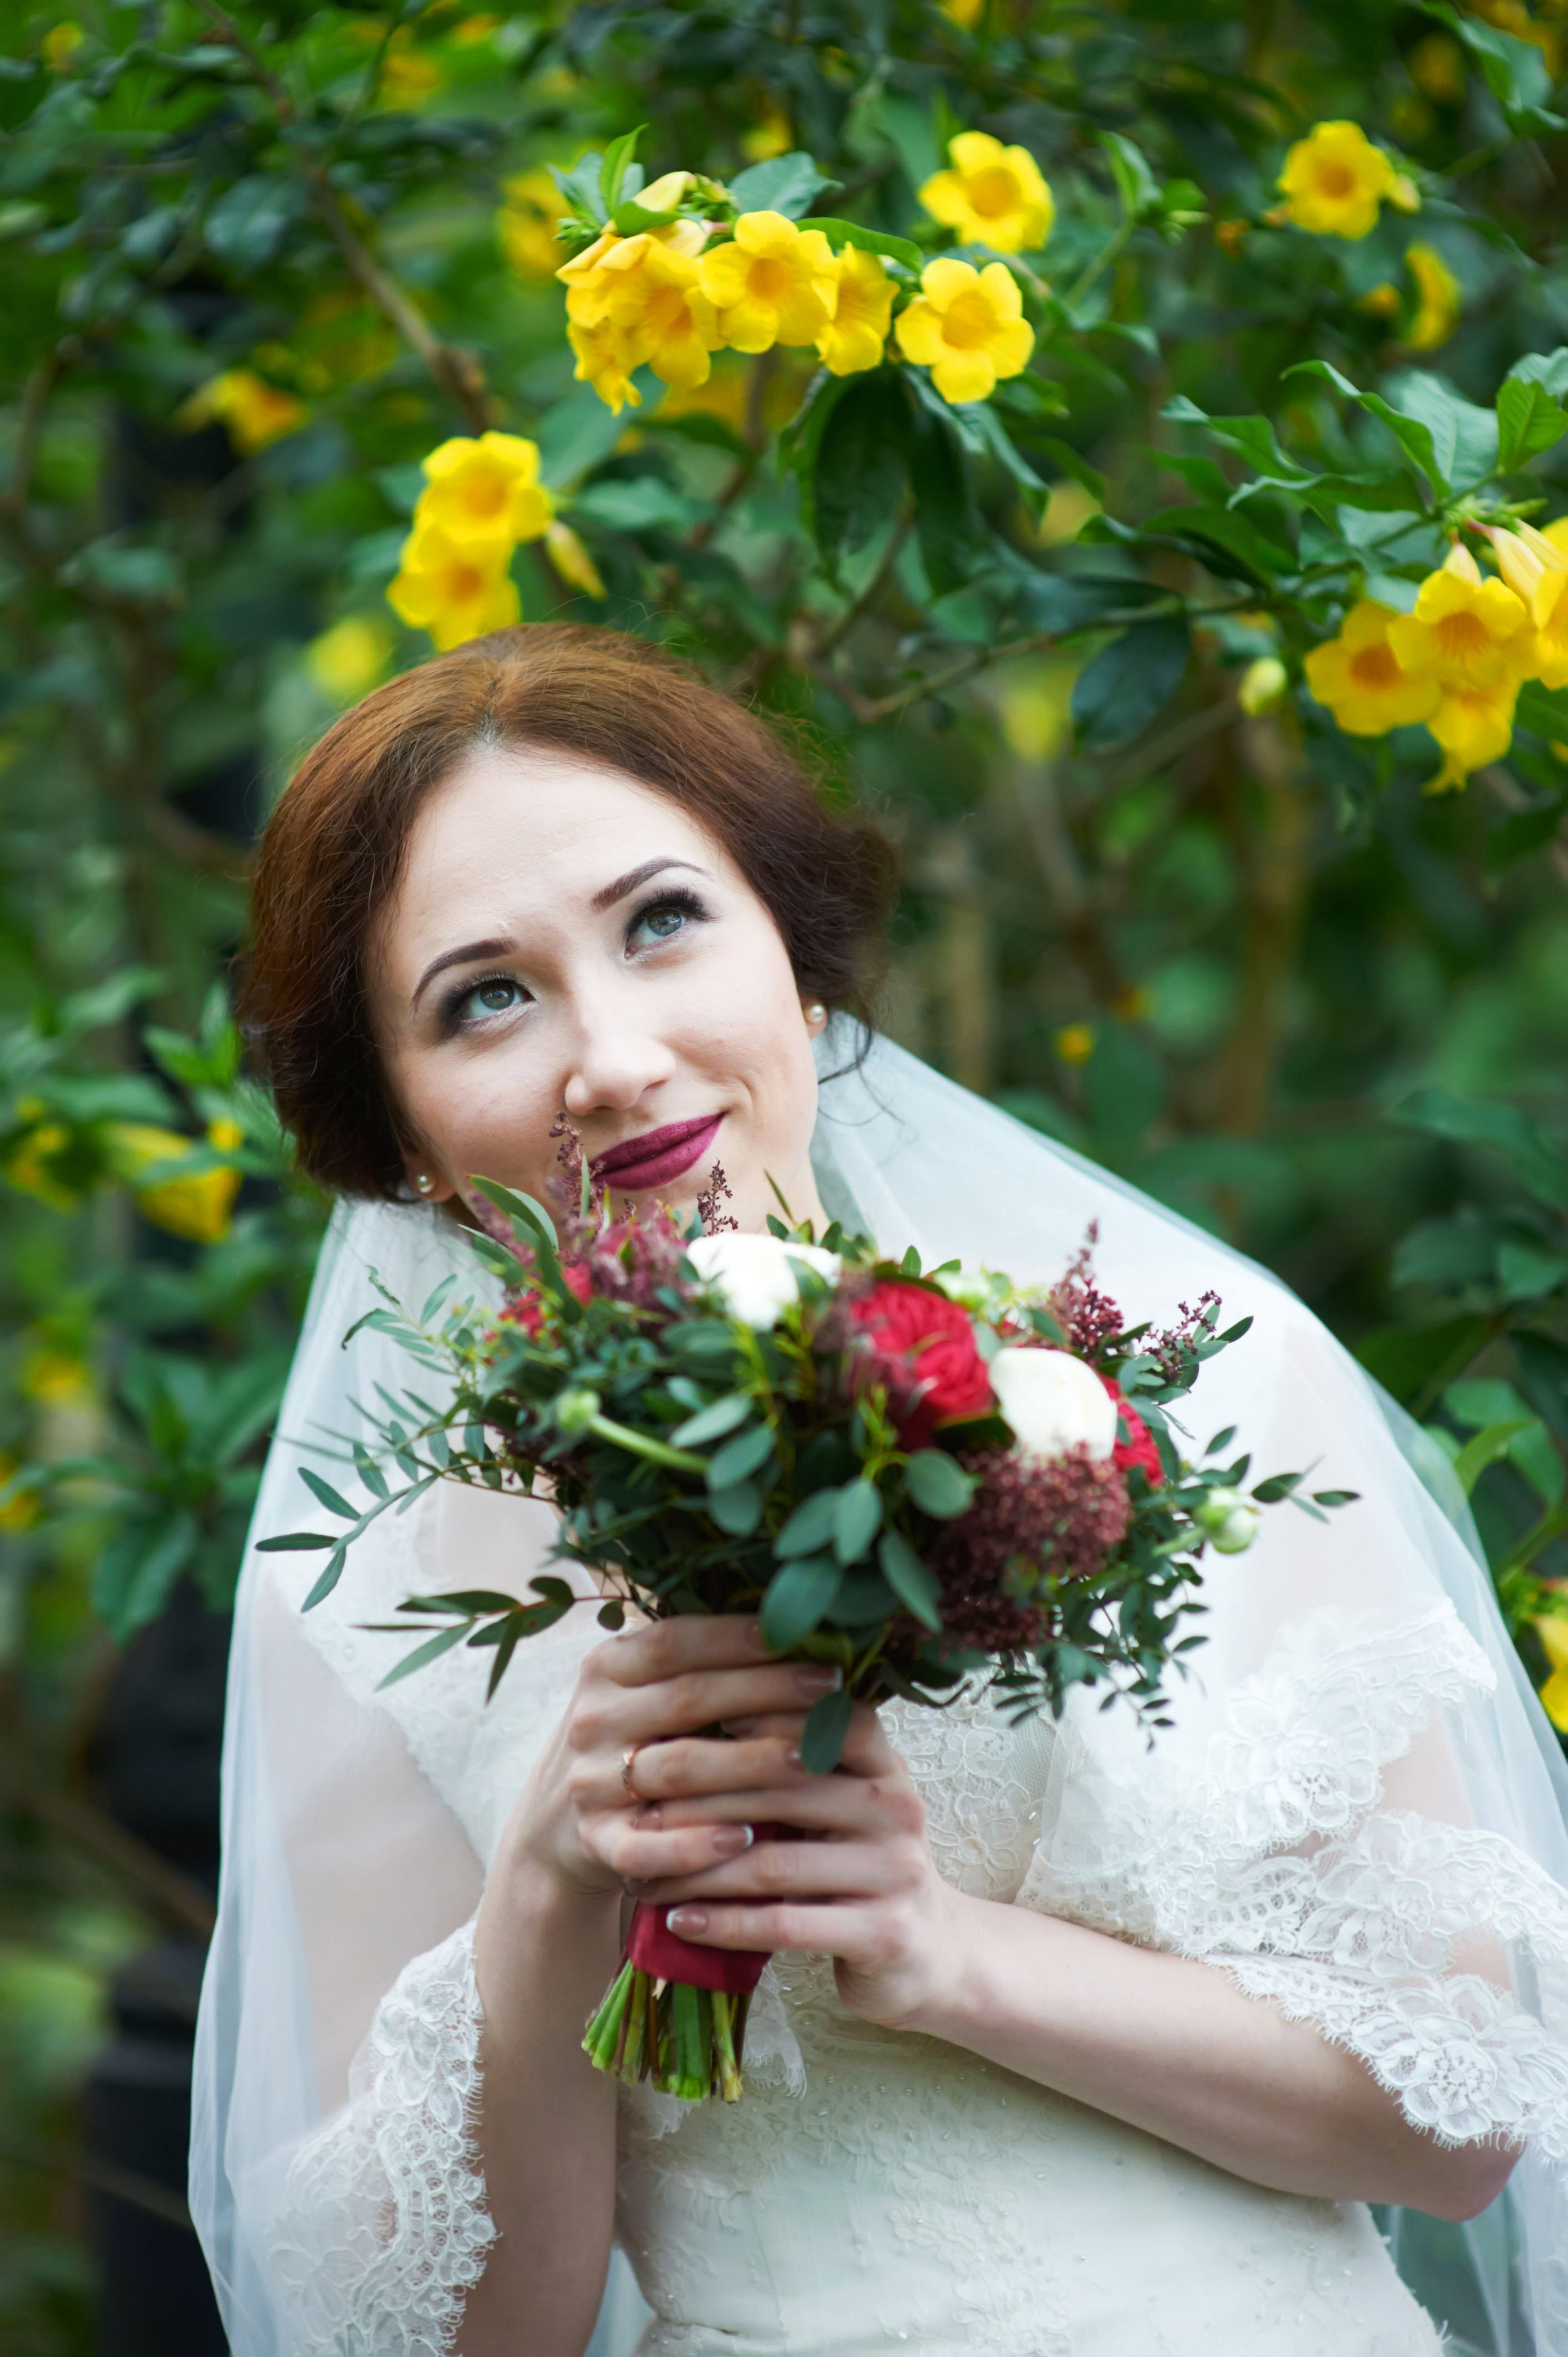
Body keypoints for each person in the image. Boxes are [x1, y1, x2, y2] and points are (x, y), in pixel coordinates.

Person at [191, 624, 1568, 2357]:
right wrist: (547, 1892)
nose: (610, 1057)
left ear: (800, 959)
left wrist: (939, 1952)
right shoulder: (368, 1599)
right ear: (397, 1137)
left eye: (663, 922)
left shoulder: (1184, 1388)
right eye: (486, 997)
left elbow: (1456, 2123)